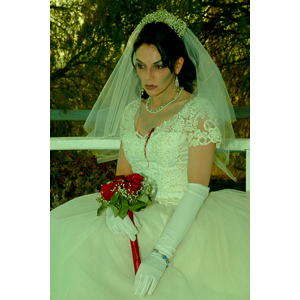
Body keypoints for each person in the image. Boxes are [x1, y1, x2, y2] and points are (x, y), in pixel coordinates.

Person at [50, 10, 250, 299]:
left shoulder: (197, 111)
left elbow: (197, 189)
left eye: (158, 66)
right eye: (141, 67)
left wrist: (161, 255)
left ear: (178, 64)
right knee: (61, 236)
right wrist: (113, 210)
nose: (148, 76)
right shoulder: (133, 110)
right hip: (137, 216)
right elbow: (121, 175)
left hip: (184, 218)